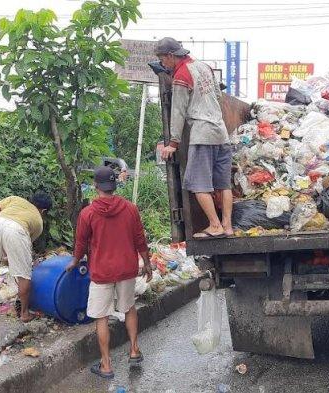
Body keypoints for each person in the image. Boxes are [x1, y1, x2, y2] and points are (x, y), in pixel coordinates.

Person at [66, 166, 153, 379]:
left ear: (96, 186)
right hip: (126, 268)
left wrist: (75, 261)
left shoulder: (87, 213)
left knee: (102, 317)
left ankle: (106, 365)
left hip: (102, 272)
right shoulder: (130, 208)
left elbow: (81, 243)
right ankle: (133, 349)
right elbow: (139, 238)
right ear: (114, 185)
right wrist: (147, 262)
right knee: (129, 308)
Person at [157, 37, 234, 239]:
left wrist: (173, 143)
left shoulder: (182, 75)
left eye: (163, 59)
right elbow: (218, 96)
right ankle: (227, 226)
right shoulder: (205, 67)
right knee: (223, 184)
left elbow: (178, 111)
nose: (163, 64)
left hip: (202, 135)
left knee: (198, 184)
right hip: (221, 134)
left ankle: (215, 225)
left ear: (171, 56)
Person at [0, 192, 52, 322]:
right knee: (24, 274)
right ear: (44, 210)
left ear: (31, 200)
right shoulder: (39, 223)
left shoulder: (15, 199)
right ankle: (24, 313)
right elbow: (23, 245)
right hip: (17, 230)